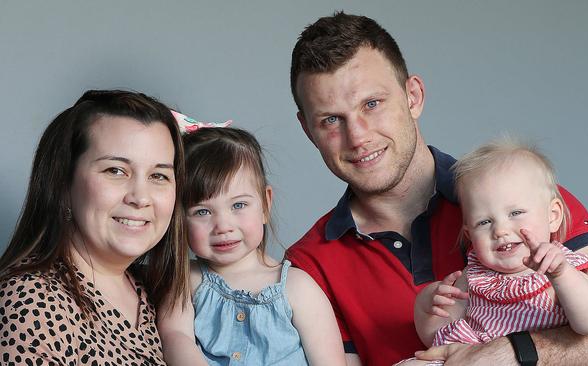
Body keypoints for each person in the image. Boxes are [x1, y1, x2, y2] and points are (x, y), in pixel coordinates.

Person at [286, 11, 588, 366]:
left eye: (372, 103)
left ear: (413, 96)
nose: (359, 136)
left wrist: (511, 353)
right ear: (307, 130)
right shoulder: (309, 266)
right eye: (331, 119)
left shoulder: (520, 198)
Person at [0, 89, 188, 365]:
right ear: (63, 182)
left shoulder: (160, 294)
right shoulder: (29, 302)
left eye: (158, 176)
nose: (140, 197)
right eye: (116, 171)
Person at [397, 139, 588, 366]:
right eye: (484, 222)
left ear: (553, 216)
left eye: (516, 212)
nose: (500, 230)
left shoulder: (560, 265)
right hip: (472, 357)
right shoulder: (474, 276)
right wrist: (427, 305)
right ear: (469, 233)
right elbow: (436, 337)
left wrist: (562, 275)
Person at [157, 126, 346, 365]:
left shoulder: (298, 288)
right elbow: (176, 337)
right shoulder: (187, 281)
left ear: (265, 205)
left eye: (238, 205)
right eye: (202, 211)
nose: (223, 226)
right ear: (180, 219)